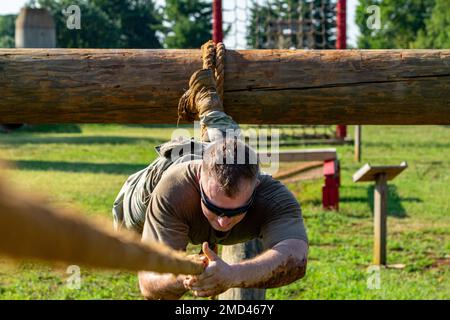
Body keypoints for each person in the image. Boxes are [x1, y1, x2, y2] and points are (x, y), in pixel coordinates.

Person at [112, 66, 308, 300]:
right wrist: (185, 277)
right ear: (198, 182)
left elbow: (296, 257)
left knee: (230, 145)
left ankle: (210, 107)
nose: (223, 221)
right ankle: (209, 110)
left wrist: (232, 275)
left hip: (212, 155)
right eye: (214, 208)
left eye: (236, 211)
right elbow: (149, 283)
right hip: (156, 180)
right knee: (127, 235)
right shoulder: (174, 190)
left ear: (255, 188)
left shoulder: (272, 195)